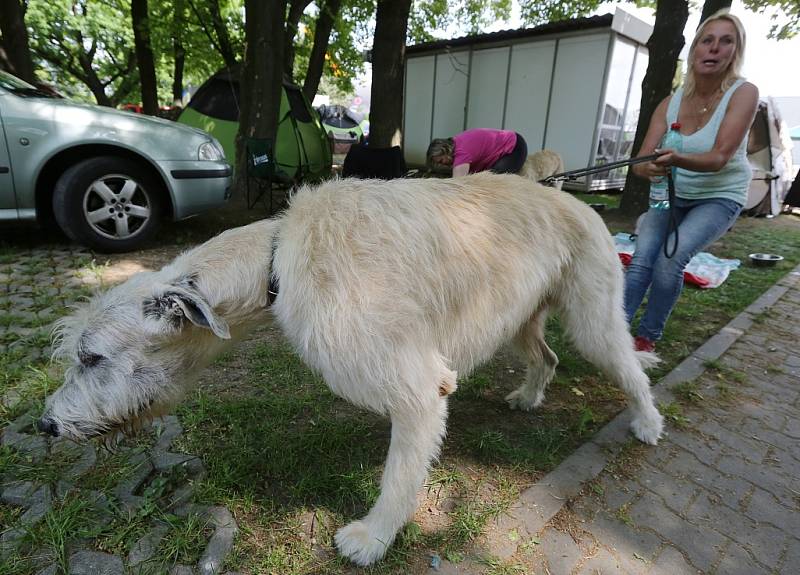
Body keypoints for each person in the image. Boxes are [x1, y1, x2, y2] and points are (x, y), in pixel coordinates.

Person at [625, 9, 759, 353]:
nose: (714, 48)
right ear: (695, 49)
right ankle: (615, 331)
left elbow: (718, 158)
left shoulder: (743, 93)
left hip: (718, 196)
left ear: (735, 51)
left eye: (725, 41)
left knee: (670, 262)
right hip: (669, 195)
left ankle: (646, 338)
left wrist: (675, 159)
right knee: (642, 259)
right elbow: (639, 162)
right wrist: (649, 168)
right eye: (707, 41)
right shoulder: (669, 103)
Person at [426, 128, 528, 177]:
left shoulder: (461, 153)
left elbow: (458, 183)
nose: (442, 163)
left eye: (441, 160)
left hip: (514, 147)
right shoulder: (458, 142)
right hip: (514, 140)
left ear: (445, 150)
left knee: (491, 181)